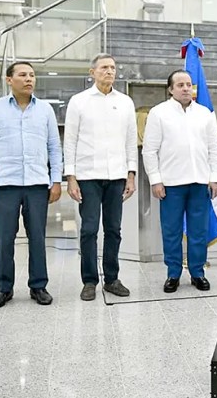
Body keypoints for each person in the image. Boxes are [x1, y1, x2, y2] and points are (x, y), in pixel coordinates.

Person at [0, 61, 62, 309]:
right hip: (5, 183)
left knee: (38, 237)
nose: (29, 79)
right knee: (5, 239)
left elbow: (54, 147)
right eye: (23, 75)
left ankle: (38, 286)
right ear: (9, 80)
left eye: (32, 75)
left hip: (37, 183)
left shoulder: (45, 110)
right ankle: (4, 288)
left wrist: (56, 180)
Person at [143, 70, 217, 293]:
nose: (186, 88)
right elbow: (149, 151)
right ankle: (173, 273)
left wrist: (215, 178)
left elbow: (215, 149)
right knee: (172, 231)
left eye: (189, 84)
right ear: (170, 89)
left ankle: (197, 272)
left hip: (200, 182)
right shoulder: (159, 113)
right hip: (171, 184)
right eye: (180, 85)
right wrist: (155, 180)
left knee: (198, 231)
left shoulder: (204, 113)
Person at [64, 53, 137, 301]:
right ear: (92, 72)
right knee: (89, 230)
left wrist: (131, 174)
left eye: (113, 68)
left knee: (114, 229)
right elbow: (70, 141)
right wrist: (71, 177)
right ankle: (89, 281)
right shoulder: (79, 102)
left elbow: (130, 140)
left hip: (117, 175)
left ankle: (112, 278)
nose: (109, 71)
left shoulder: (125, 102)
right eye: (104, 67)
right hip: (88, 176)